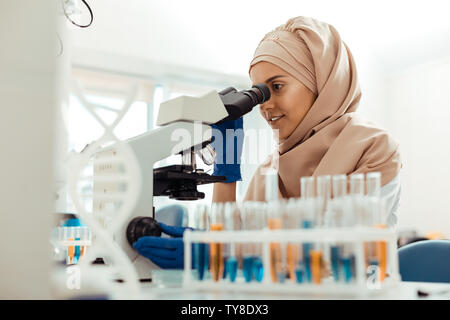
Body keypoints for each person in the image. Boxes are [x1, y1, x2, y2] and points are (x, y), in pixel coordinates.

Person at [133, 16, 402, 269]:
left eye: (277, 86)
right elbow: (228, 238)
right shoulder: (269, 170)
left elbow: (339, 252)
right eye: (259, 92)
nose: (265, 104)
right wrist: (226, 170)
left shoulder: (374, 148)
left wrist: (223, 251)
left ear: (321, 85)